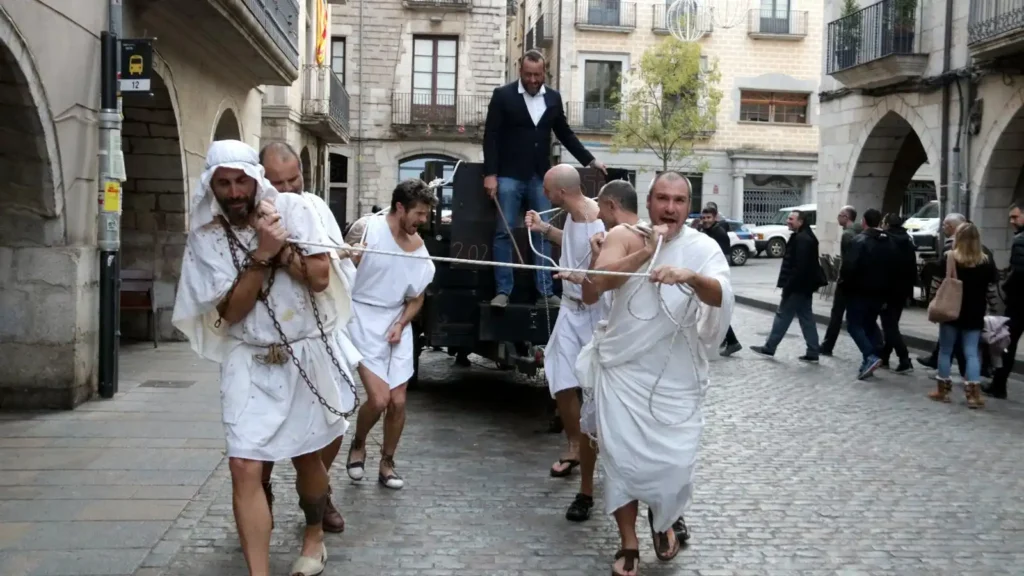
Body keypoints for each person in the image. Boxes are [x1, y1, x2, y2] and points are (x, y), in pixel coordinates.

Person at [171, 140, 358, 576]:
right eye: (224, 184)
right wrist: (262, 253)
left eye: (241, 181)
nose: (234, 192)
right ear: (211, 186)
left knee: (307, 455)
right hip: (247, 357)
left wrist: (280, 244)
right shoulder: (206, 236)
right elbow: (232, 312)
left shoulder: (295, 209)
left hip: (302, 350)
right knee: (243, 464)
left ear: (255, 180)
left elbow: (319, 277)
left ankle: (313, 537)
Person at [576, 171, 734, 576]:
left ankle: (663, 517)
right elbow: (593, 288)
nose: (670, 208)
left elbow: (722, 294)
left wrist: (690, 277)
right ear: (649, 202)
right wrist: (646, 254)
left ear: (689, 206)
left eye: (679, 200)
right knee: (621, 461)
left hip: (676, 376)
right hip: (624, 371)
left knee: (675, 465)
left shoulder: (703, 247)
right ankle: (628, 542)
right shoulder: (626, 235)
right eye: (662, 198)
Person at [257, 142, 361, 534]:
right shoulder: (252, 215)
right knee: (263, 427)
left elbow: (326, 272)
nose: (287, 190)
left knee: (335, 418)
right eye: (277, 183)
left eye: (293, 179)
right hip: (267, 337)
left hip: (318, 331)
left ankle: (319, 491)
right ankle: (261, 492)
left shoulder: (315, 207)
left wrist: (343, 257)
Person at [483, 49, 606, 308]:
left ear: (544, 72)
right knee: (504, 232)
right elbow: (490, 136)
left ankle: (546, 293)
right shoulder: (502, 95)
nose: (532, 80)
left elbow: (564, 133)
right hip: (508, 175)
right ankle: (503, 290)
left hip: (541, 177)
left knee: (543, 232)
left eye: (537, 75)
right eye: (528, 74)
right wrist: (490, 174)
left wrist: (590, 160)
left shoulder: (553, 98)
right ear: (520, 70)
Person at [345, 179, 437, 490]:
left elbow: (417, 297)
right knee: (379, 398)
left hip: (397, 321)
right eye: (419, 213)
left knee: (398, 402)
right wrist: (349, 257)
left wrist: (401, 323)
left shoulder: (419, 249)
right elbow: (336, 271)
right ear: (400, 207)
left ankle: (387, 463)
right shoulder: (366, 229)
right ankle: (359, 443)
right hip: (361, 317)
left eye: (426, 214)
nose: (423, 220)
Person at [523, 165, 607, 481]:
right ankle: (574, 445)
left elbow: (602, 267)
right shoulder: (573, 215)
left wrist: (582, 278)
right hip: (570, 309)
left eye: (547, 190)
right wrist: (544, 229)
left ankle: (601, 447)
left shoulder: (597, 219)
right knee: (559, 376)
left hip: (595, 312)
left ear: (561, 192)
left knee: (598, 385)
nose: (544, 195)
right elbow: (572, 244)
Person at [927, 222, 997, 408]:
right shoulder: (986, 261)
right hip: (975, 311)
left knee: (946, 350)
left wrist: (933, 302)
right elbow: (991, 291)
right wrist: (994, 310)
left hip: (951, 310)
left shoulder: (949, 257)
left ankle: (942, 390)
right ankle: (973, 394)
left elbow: (937, 283)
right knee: (971, 352)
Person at [750, 210, 825, 362]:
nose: (788, 221)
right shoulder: (804, 236)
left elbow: (799, 267)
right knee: (806, 318)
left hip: (797, 286)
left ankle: (769, 347)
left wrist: (788, 287)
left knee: (783, 315)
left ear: (800, 222)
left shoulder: (803, 239)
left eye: (791, 219)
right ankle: (813, 351)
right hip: (804, 286)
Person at [841, 208, 897, 380]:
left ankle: (870, 355)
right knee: (869, 323)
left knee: (854, 325)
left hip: (860, 291)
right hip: (880, 292)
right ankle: (872, 356)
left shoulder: (859, 241)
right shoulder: (888, 241)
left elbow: (849, 268)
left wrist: (844, 287)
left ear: (864, 222)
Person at [987, 203, 1024, 399]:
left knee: (1007, 343)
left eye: (1015, 217)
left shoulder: (1020, 241)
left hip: (1019, 302)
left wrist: (1006, 287)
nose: (1012, 221)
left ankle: (999, 384)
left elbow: (1018, 273)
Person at [700, 206, 741, 356]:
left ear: (715, 217)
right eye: (703, 218)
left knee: (716, 310)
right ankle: (724, 340)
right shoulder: (707, 231)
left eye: (708, 218)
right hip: (707, 273)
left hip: (715, 276)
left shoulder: (719, 233)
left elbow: (723, 258)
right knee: (713, 310)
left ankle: (732, 341)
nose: (705, 220)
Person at [878, 212, 915, 374]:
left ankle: (904, 358)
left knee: (889, 325)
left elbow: (883, 268)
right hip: (903, 288)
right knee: (892, 324)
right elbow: (912, 268)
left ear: (887, 224)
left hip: (888, 288)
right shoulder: (907, 240)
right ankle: (884, 356)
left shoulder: (886, 240)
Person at [821, 205, 860, 356]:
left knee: (837, 314)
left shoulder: (847, 235)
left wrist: (841, 278)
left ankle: (827, 345)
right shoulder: (859, 232)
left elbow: (848, 260)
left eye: (839, 215)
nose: (837, 218)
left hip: (846, 281)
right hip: (856, 281)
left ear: (846, 217)